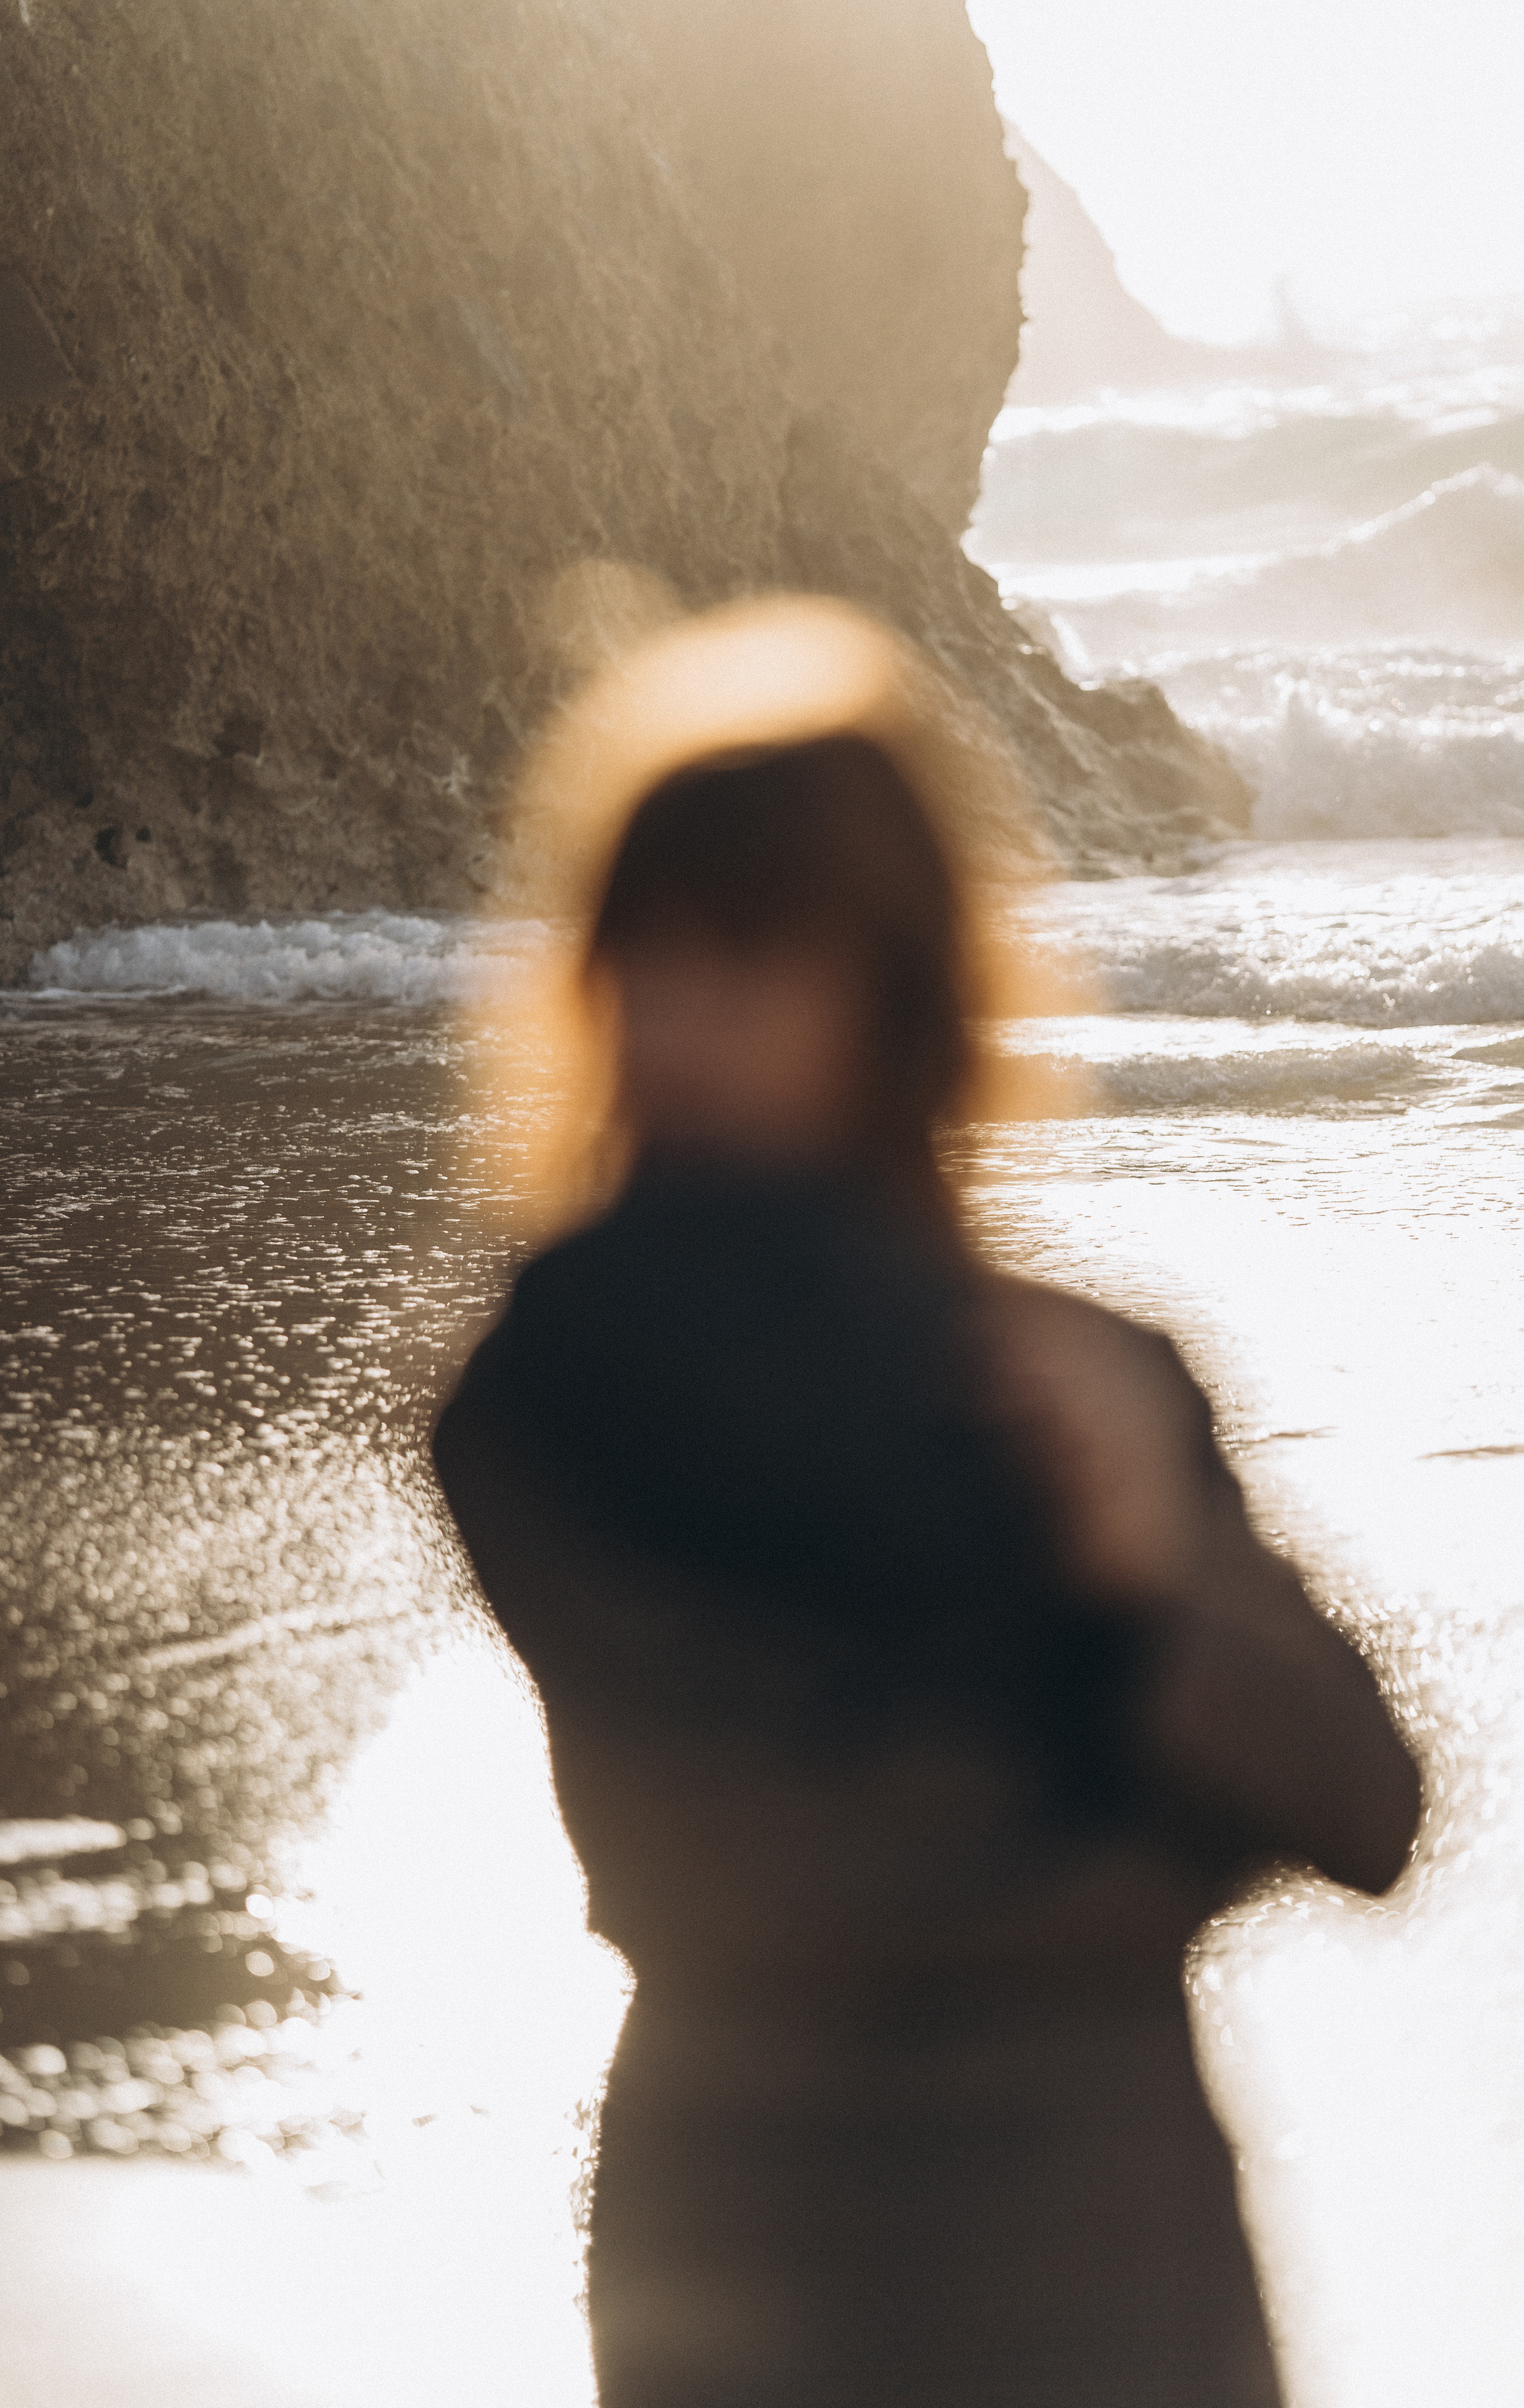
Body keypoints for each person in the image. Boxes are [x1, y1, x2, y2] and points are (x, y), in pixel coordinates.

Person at [431, 622, 1421, 2408]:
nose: (678, 1012)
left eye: (749, 953)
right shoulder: (551, 1389)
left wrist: (1142, 1571)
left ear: (893, 987)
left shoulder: (1093, 1377)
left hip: (1110, 2244)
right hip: (762, 2243)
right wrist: (1153, 1791)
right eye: (639, 952)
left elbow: (1365, 1802)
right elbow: (793, 1862)